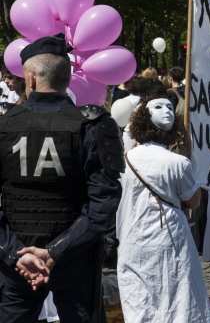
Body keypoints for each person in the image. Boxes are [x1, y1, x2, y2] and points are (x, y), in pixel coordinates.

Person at [0, 33, 124, 321]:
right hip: (76, 259)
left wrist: (18, 253)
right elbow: (104, 204)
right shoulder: (93, 125)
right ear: (68, 78)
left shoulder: (4, 126)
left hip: (17, 261)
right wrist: (56, 251)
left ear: (30, 79)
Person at [116, 95, 210, 322]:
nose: (167, 110)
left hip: (133, 236)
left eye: (170, 106)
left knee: (140, 301)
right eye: (159, 107)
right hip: (169, 238)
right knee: (176, 294)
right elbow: (195, 201)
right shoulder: (178, 162)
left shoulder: (124, 159)